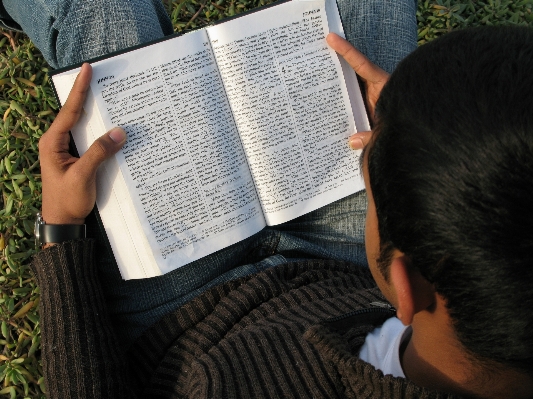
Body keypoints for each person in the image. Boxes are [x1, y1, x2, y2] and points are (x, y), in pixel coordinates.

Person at [5, 1, 533, 399]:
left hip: (182, 309)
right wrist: (413, 138)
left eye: (377, 182)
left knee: (101, 13)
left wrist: (60, 230)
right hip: (344, 267)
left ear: (409, 284)